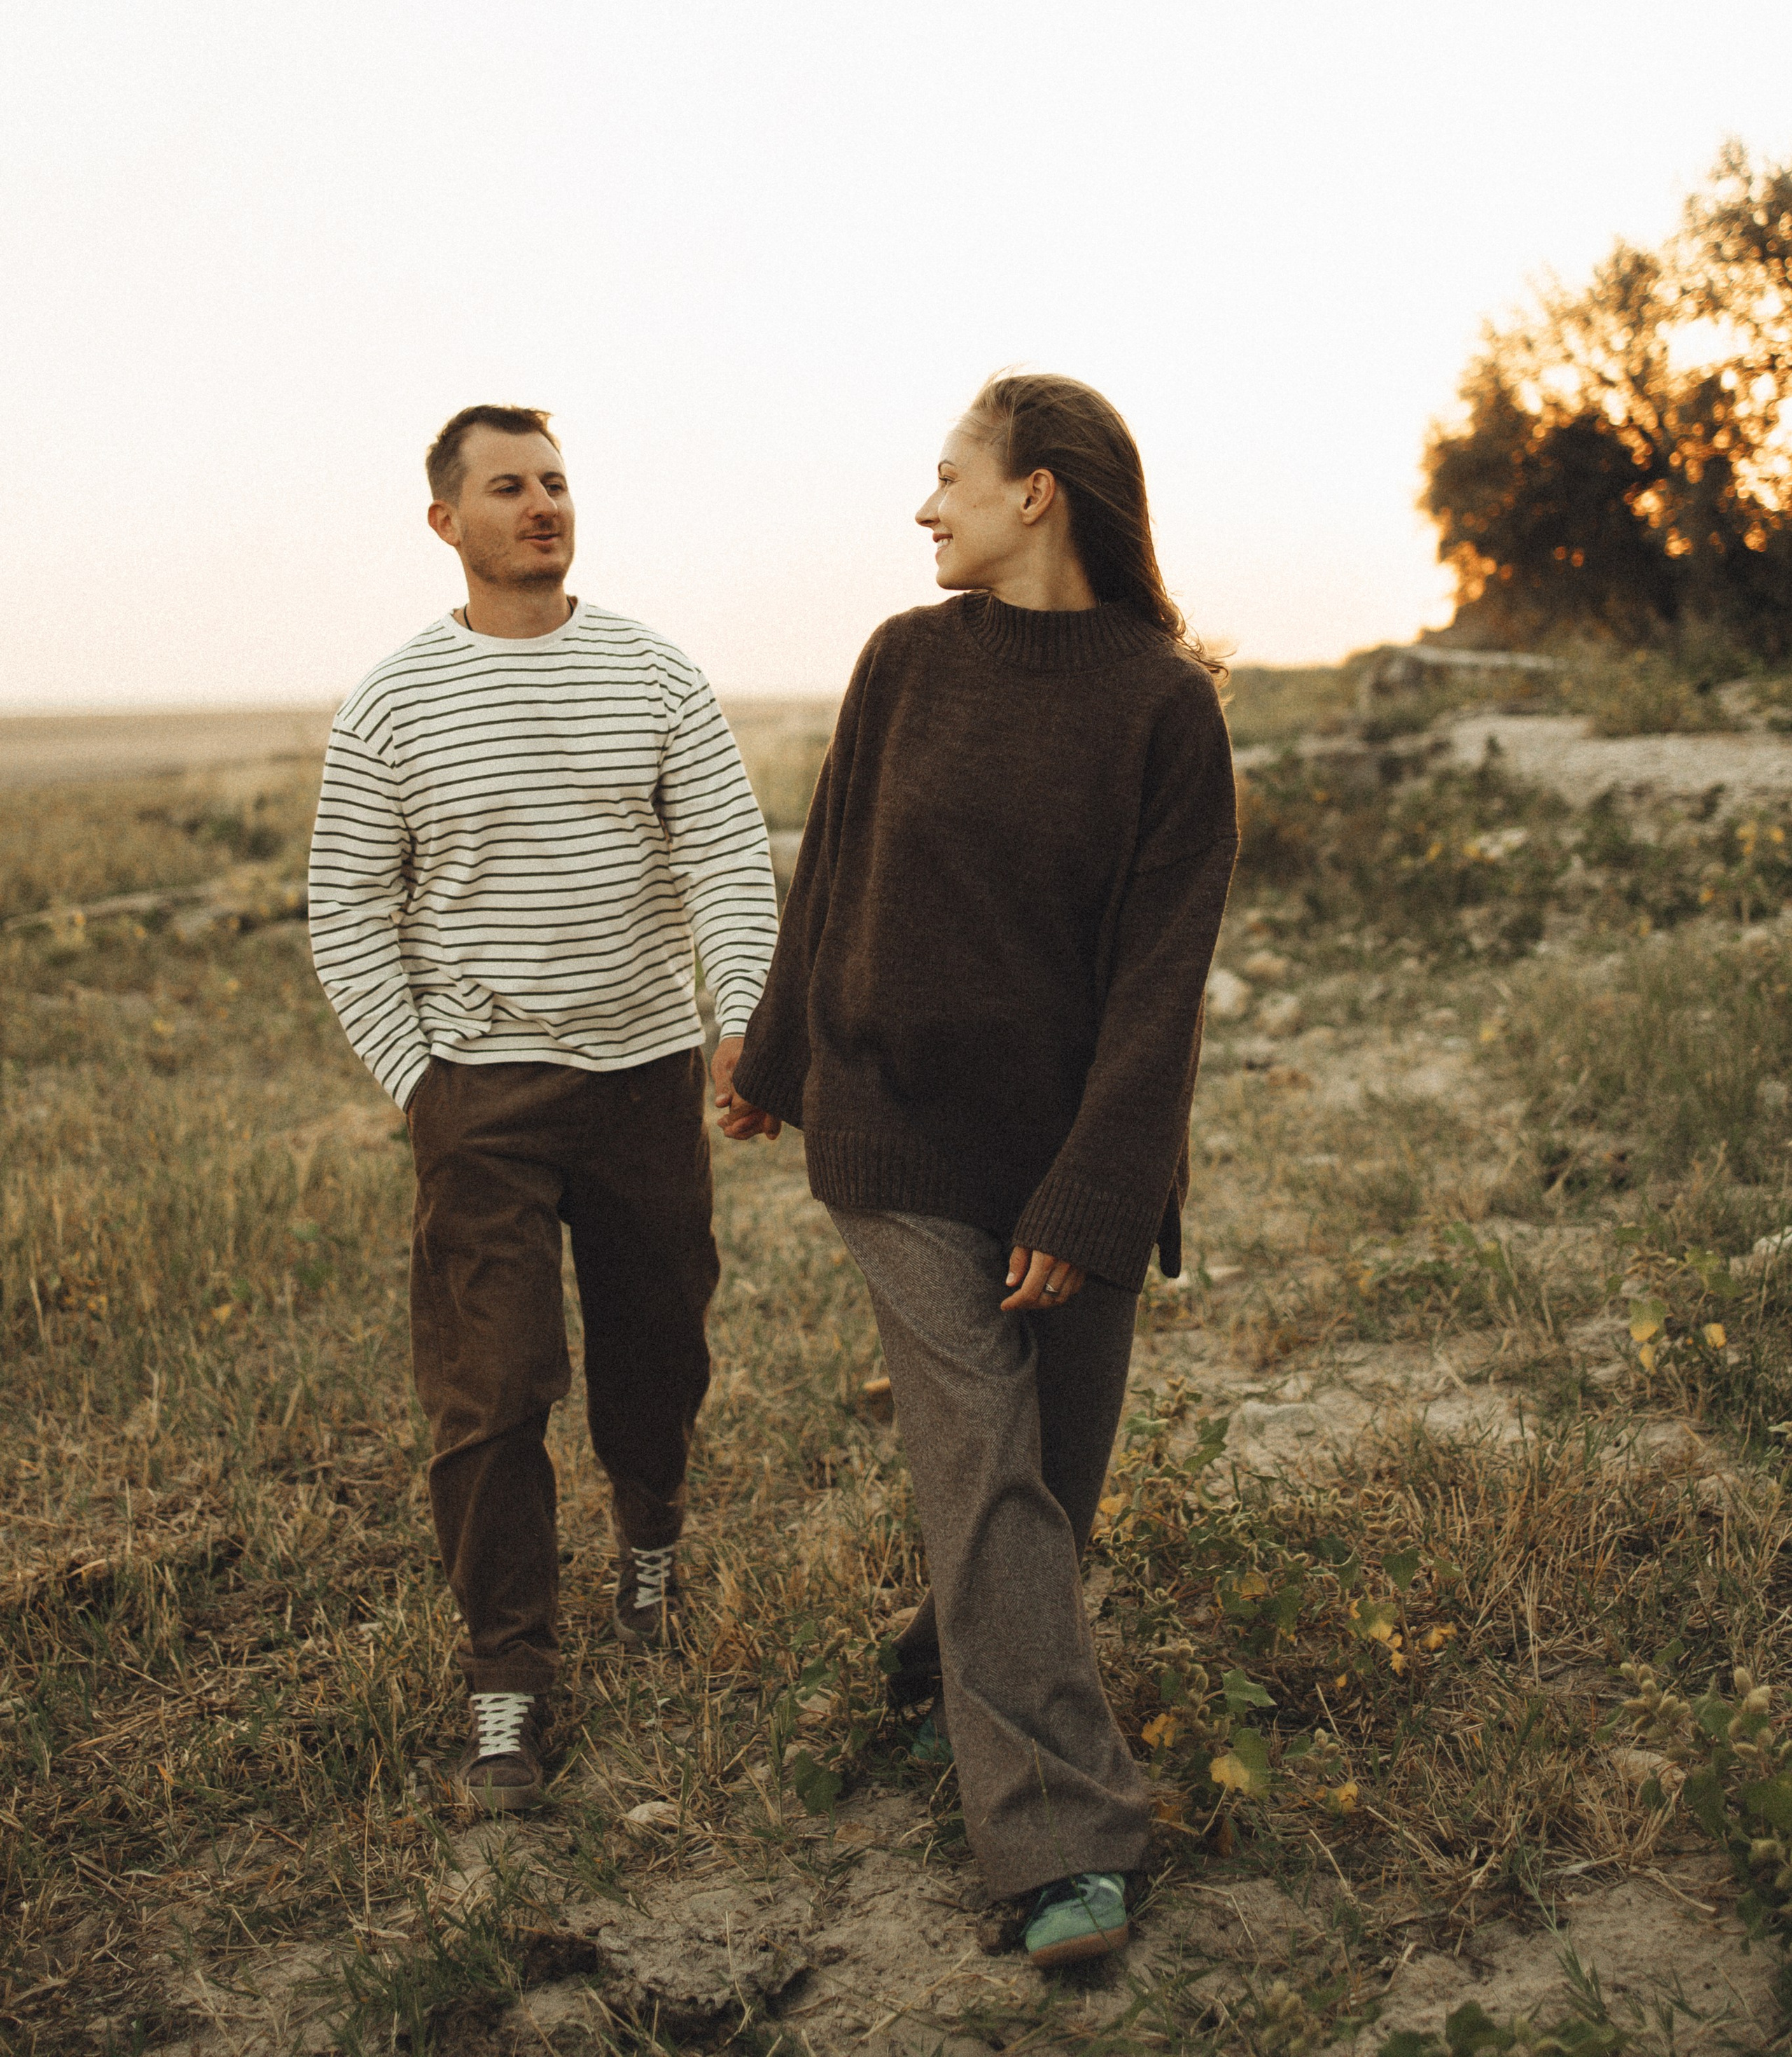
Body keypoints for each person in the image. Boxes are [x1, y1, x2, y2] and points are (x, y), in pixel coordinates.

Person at [721, 372, 1237, 1970]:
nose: (923, 506)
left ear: (1038, 492)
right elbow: (833, 869)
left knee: (1048, 1484)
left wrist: (1090, 1199)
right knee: (990, 1457)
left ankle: (937, 1663)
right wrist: (772, 1057)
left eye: (948, 476)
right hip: (897, 1135)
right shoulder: (904, 661)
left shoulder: (1165, 710)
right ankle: (1063, 1842)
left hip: (1072, 1145)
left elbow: (1158, 990)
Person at [308, 404, 777, 1813]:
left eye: (556, 482)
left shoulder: (653, 673)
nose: (541, 505)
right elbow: (347, 906)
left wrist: (739, 1019)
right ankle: (507, 1682)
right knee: (491, 1388)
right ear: (446, 521)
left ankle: (650, 1536)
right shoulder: (394, 701)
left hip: (645, 1079)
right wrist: (422, 1084)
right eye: (508, 486)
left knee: (658, 1346)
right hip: (481, 1098)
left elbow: (726, 858)